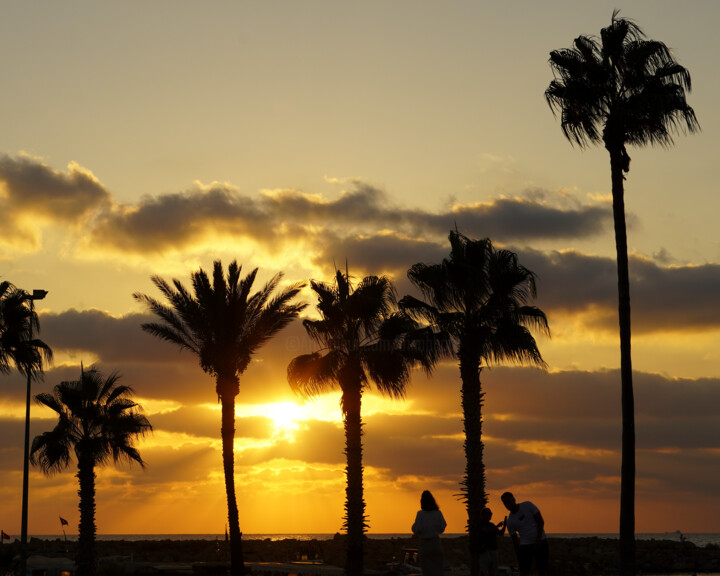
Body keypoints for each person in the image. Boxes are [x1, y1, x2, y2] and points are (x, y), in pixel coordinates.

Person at [501, 492, 549, 576]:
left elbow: (540, 521)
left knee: (542, 569)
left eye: (509, 501)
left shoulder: (528, 505)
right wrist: (518, 557)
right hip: (526, 545)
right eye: (505, 503)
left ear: (514, 500)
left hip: (541, 541)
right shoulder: (510, 521)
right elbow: (515, 541)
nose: (508, 505)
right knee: (523, 571)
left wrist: (538, 539)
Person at [412, 490, 447, 576]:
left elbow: (417, 529)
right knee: (438, 568)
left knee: (426, 569)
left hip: (424, 543)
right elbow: (443, 527)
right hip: (435, 542)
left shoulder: (420, 514)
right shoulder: (438, 513)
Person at [470, 507, 506, 576]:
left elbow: (500, 534)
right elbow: (485, 531)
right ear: (482, 515)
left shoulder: (491, 525)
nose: (490, 516)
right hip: (484, 550)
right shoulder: (479, 524)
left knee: (493, 570)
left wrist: (504, 526)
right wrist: (497, 526)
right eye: (488, 514)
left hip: (494, 549)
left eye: (490, 514)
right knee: (484, 569)